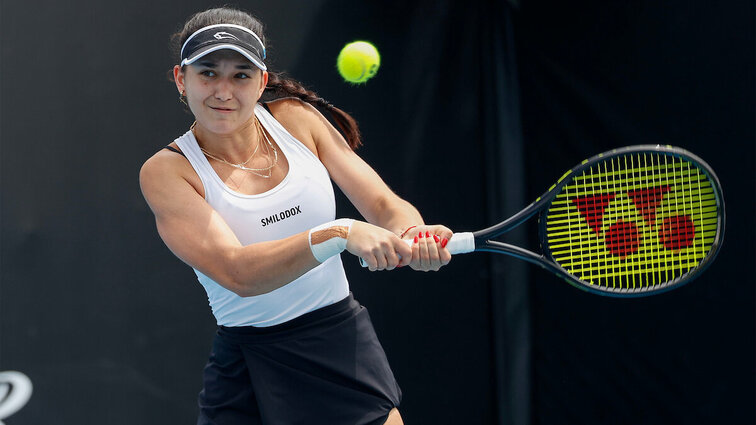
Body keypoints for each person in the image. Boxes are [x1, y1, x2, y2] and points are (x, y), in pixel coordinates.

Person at [139, 7, 453, 425]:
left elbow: (382, 204)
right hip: (247, 360)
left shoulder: (296, 119)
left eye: (241, 75)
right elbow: (238, 274)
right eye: (208, 73)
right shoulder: (168, 171)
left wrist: (412, 231)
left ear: (262, 81)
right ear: (182, 79)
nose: (223, 91)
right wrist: (338, 234)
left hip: (337, 341)